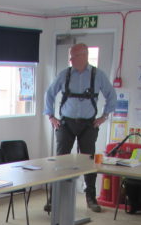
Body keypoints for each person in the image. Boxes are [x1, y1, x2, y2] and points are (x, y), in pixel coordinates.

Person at [44, 43, 116, 212]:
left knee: (89, 162)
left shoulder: (98, 75)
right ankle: (53, 198)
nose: (70, 60)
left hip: (88, 125)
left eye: (73, 56)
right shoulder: (65, 74)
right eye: (70, 56)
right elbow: (50, 93)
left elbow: (112, 96)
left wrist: (104, 117)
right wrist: (51, 116)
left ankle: (91, 197)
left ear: (84, 56)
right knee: (60, 161)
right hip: (66, 123)